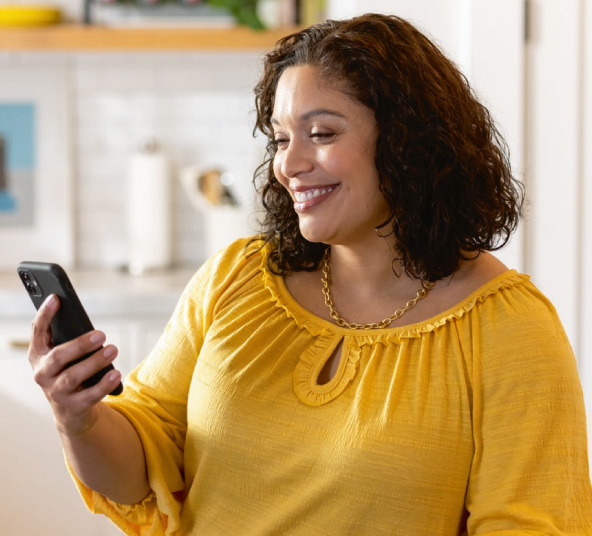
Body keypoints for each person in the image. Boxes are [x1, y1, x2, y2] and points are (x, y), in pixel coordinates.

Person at [28, 13, 592, 536]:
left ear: (407, 143)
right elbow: (143, 460)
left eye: (322, 134)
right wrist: (79, 419)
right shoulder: (237, 278)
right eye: (280, 138)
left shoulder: (506, 328)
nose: (290, 163)